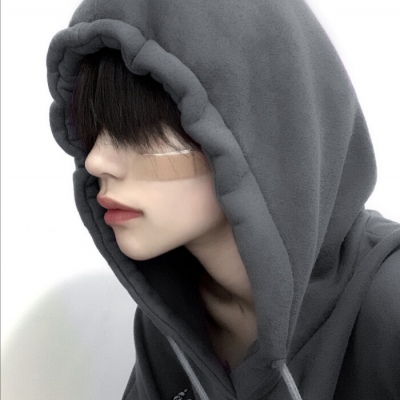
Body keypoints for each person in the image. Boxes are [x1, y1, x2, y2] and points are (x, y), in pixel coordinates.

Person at [46, 0, 400, 399]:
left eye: (134, 126)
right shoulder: (171, 319)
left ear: (253, 129)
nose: (95, 160)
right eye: (94, 127)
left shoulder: (389, 301)